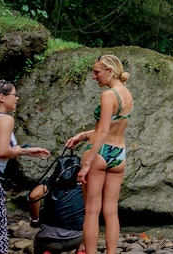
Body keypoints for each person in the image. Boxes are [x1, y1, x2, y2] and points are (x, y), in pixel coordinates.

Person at [0, 80, 50, 254]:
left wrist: (26, 151)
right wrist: (20, 151)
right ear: (2, 97)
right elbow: (2, 151)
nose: (17, 98)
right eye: (14, 94)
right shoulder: (4, 119)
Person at [65, 54, 133, 254]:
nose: (94, 77)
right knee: (111, 212)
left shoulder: (108, 95)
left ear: (110, 71)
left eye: (97, 73)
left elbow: (103, 132)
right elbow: (111, 127)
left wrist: (87, 164)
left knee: (92, 211)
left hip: (100, 153)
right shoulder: (126, 94)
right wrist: (83, 135)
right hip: (119, 153)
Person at [28, 152, 84, 254]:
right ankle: (81, 250)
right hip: (76, 239)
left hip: (47, 239)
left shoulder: (52, 181)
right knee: (90, 228)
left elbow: (34, 196)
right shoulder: (85, 183)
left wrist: (35, 219)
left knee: (41, 244)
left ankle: (47, 251)